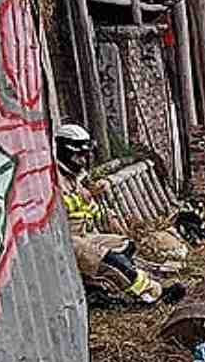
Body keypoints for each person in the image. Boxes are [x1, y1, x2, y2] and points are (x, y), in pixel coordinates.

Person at [55, 124, 184, 307]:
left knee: (125, 245)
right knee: (109, 259)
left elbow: (89, 206)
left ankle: (97, 288)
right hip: (66, 240)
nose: (83, 161)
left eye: (85, 156)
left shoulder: (73, 177)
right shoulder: (53, 179)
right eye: (79, 156)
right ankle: (153, 293)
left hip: (85, 234)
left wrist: (109, 216)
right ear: (66, 151)